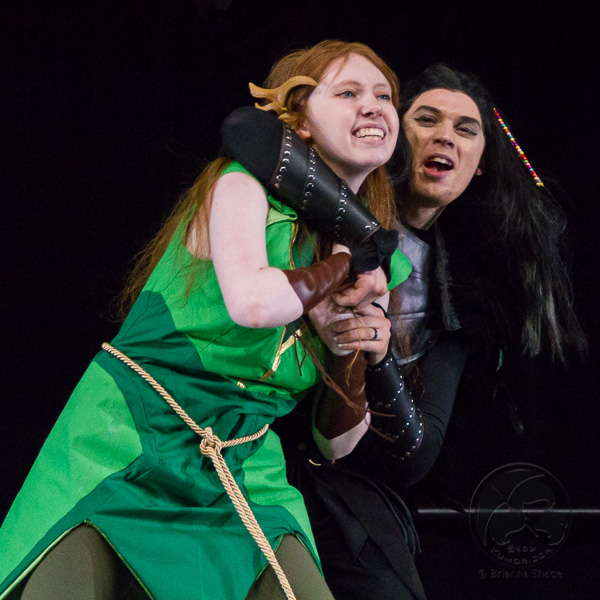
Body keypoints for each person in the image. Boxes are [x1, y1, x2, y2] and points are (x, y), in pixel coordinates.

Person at [0, 41, 412, 600]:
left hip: (241, 464)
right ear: (300, 121)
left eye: (384, 96)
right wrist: (346, 265)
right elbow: (253, 303)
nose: (373, 106)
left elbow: (336, 445)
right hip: (130, 439)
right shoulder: (240, 187)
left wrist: (349, 355)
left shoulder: (379, 262)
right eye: (348, 93)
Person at [222, 63, 586, 600]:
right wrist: (362, 238)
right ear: (392, 131)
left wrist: (379, 356)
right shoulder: (310, 194)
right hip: (242, 440)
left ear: (481, 162)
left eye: (466, 129)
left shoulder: (460, 294)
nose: (445, 136)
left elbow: (416, 456)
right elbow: (244, 129)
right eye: (427, 119)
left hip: (345, 486)